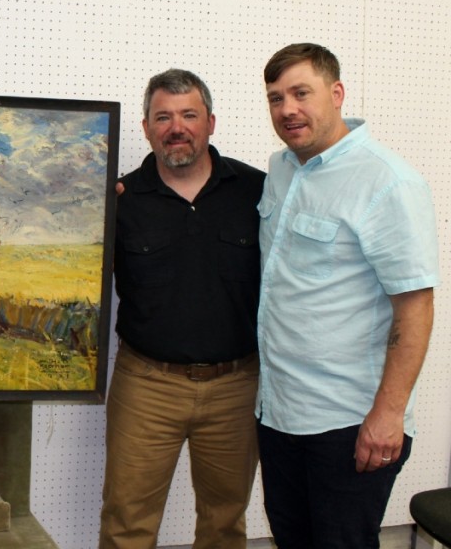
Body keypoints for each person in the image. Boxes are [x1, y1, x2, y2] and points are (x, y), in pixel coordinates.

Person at [256, 43, 438, 548]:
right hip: (280, 413)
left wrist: (388, 413)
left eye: (300, 93)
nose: (287, 108)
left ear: (336, 94)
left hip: (349, 422)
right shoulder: (281, 168)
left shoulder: (388, 181)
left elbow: (415, 306)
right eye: (275, 98)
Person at [100, 69, 264, 549]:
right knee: (126, 522)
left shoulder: (257, 192)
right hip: (146, 386)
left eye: (189, 115)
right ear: (147, 128)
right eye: (163, 117)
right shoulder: (120, 201)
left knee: (225, 524)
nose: (177, 127)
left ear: (210, 122)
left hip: (237, 387)